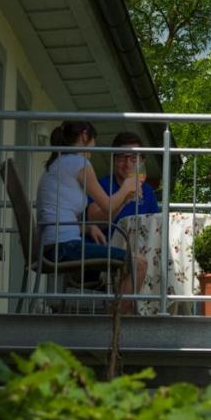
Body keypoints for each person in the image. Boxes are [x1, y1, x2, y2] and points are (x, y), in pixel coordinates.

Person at [35, 121, 147, 304]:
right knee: (139, 263)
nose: (91, 153)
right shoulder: (79, 162)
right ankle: (117, 321)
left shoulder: (57, 163)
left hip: (53, 245)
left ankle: (116, 318)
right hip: (64, 247)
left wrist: (87, 227)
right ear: (84, 135)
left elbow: (108, 213)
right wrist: (128, 185)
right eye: (92, 144)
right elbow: (108, 206)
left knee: (134, 261)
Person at [87, 131, 159, 240]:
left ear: (142, 161)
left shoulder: (147, 190)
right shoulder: (101, 185)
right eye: (121, 157)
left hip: (140, 248)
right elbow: (95, 222)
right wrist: (123, 198)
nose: (127, 164)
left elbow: (155, 226)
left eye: (134, 158)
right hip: (109, 251)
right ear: (114, 160)